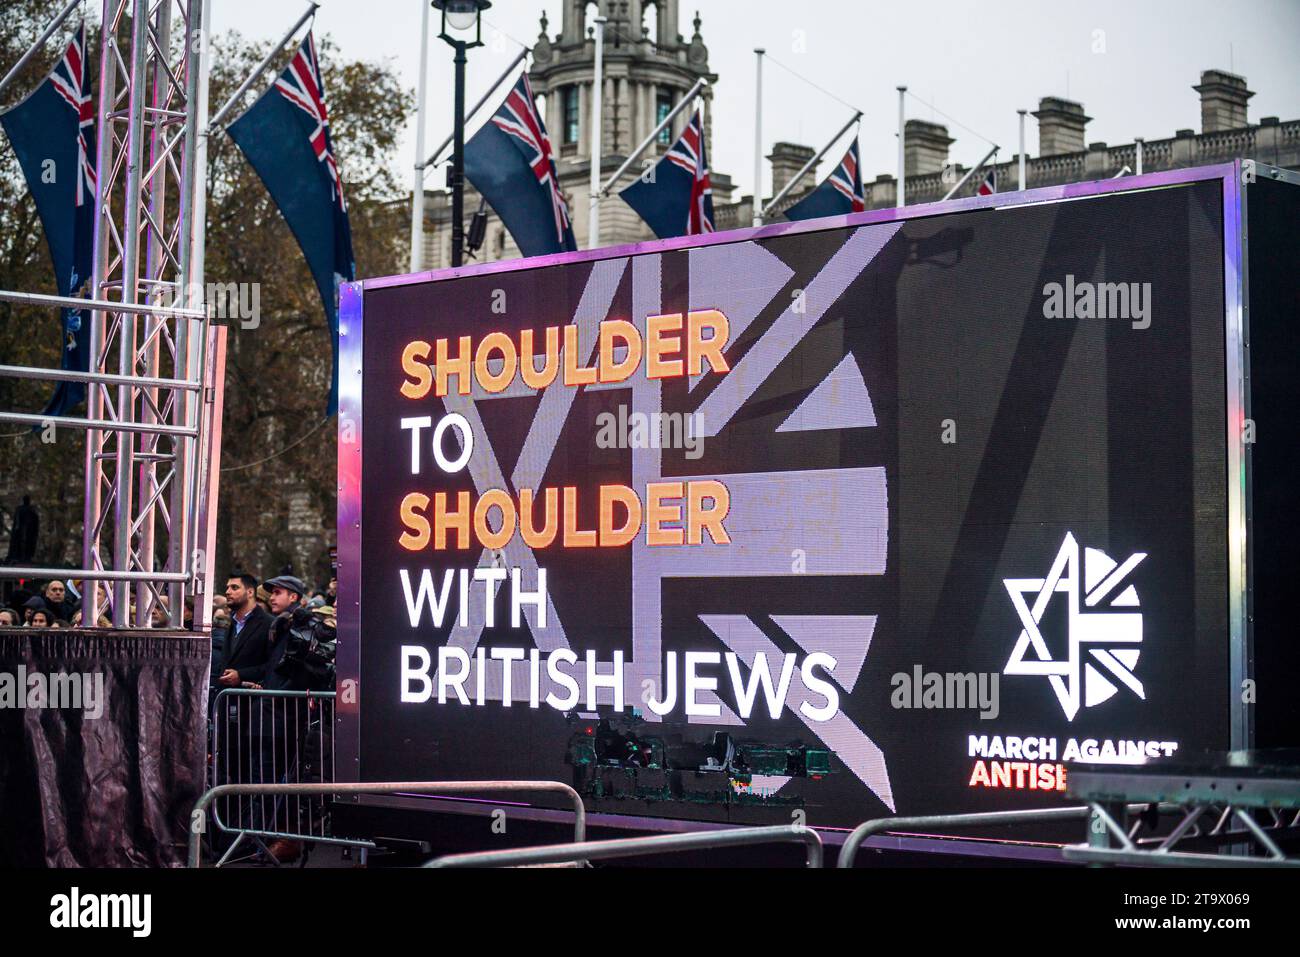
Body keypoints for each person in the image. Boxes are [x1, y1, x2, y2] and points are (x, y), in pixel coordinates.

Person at [214, 574, 273, 688]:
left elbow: (272, 664)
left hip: (254, 699)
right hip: (227, 698)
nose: (228, 591)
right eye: (227, 587)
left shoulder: (269, 624)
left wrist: (241, 675)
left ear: (250, 592)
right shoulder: (232, 623)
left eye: (234, 587)